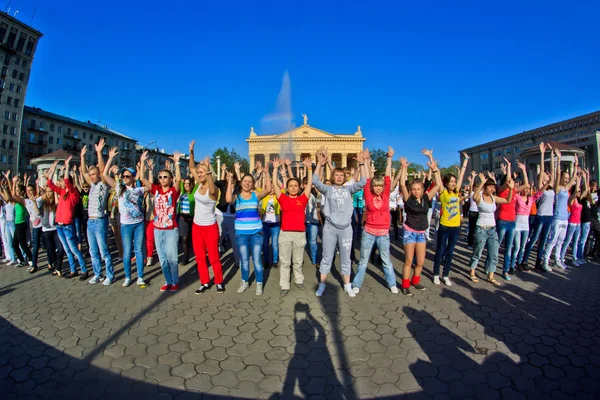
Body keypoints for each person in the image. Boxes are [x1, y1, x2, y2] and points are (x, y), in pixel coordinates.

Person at [312, 148, 367, 298]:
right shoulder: (328, 190)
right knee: (327, 258)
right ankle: (322, 284)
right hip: (330, 228)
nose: (338, 177)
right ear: (332, 176)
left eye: (341, 175)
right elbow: (315, 181)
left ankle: (347, 285)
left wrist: (362, 164)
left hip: (346, 229)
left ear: (344, 177)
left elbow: (363, 181)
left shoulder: (349, 189)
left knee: (345, 259)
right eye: (336, 175)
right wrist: (320, 164)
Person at [352, 147, 398, 294]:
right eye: (375, 186)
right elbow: (365, 179)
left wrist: (389, 159)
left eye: (380, 186)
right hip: (369, 232)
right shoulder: (368, 194)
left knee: (386, 260)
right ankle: (357, 284)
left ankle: (392, 283)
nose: (378, 188)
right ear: (372, 187)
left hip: (383, 233)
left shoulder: (385, 194)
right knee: (363, 260)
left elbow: (387, 177)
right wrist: (362, 163)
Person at [398, 149, 442, 296]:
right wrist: (404, 168)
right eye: (414, 189)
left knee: (421, 262)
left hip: (421, 233)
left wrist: (433, 165)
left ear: (423, 189)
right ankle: (405, 285)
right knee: (409, 261)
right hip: (409, 232)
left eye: (418, 189)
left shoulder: (426, 198)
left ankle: (415, 281)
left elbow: (437, 185)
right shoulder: (408, 199)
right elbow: (403, 185)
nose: (416, 191)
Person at [103, 147, 148, 288]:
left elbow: (151, 186)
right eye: (123, 176)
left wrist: (143, 165)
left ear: (133, 178)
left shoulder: (138, 190)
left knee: (139, 250)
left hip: (139, 223)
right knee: (127, 251)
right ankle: (128, 277)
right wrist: (110, 158)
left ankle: (140, 277)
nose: (124, 178)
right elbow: (104, 175)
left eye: (128, 176)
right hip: (126, 225)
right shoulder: (118, 188)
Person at [225, 163, 272, 296]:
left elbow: (268, 189)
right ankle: (244, 281)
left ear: (253, 184)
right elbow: (228, 199)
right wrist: (229, 180)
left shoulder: (256, 196)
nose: (247, 183)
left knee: (256, 259)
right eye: (245, 181)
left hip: (256, 233)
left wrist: (267, 173)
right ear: (241, 183)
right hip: (241, 234)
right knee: (244, 259)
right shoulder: (237, 197)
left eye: (250, 182)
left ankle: (259, 283)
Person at [140, 150, 182, 292]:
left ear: (170, 179)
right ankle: (167, 280)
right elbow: (141, 177)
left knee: (173, 258)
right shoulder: (156, 189)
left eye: (166, 177)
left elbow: (179, 181)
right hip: (158, 229)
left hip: (171, 229)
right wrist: (142, 162)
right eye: (161, 177)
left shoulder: (173, 192)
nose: (163, 179)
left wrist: (176, 163)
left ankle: (175, 281)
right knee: (163, 258)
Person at [271, 157, 313, 296]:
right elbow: (275, 186)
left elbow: (309, 184)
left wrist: (309, 168)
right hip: (285, 233)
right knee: (284, 261)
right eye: (291, 186)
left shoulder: (303, 198)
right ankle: (284, 284)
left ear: (299, 187)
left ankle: (298, 279)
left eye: (296, 185)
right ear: (287, 188)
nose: (293, 187)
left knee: (298, 260)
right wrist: (275, 169)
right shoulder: (283, 198)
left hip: (300, 233)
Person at [188, 141, 224, 294]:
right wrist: (191, 152)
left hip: (210, 227)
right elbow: (191, 167)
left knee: (214, 257)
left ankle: (219, 281)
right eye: (199, 172)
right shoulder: (198, 185)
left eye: (201, 172)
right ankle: (204, 282)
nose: (199, 173)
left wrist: (208, 171)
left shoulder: (213, 188)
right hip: (197, 227)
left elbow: (213, 191)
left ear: (208, 173)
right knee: (200, 257)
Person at [45, 159, 89, 280]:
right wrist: (53, 170)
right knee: (67, 250)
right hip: (59, 225)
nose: (60, 183)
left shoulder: (74, 193)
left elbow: (66, 180)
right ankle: (73, 270)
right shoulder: (62, 192)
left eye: (62, 181)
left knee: (74, 249)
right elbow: (50, 184)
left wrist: (67, 166)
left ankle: (84, 270)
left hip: (67, 225)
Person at [468, 173, 514, 285]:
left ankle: (490, 275)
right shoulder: (480, 197)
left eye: (493, 187)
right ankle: (472, 272)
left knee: (494, 254)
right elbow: (474, 197)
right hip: (481, 229)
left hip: (492, 230)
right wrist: (482, 182)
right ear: (485, 187)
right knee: (477, 253)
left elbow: (507, 200)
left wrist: (511, 189)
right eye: (490, 186)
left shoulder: (494, 198)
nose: (492, 189)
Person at [432, 152, 470, 286]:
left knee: (450, 251)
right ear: (446, 183)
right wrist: (432, 160)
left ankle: (445, 275)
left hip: (456, 226)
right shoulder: (443, 193)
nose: (454, 184)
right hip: (444, 225)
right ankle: (436, 274)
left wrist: (465, 161)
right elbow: (437, 180)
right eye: (452, 182)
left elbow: (461, 177)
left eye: (455, 182)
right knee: (440, 250)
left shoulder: (456, 192)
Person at [80, 140, 115, 285]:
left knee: (104, 251)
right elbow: (83, 172)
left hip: (100, 221)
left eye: (94, 174)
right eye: (91, 174)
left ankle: (110, 275)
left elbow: (102, 170)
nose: (92, 176)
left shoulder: (102, 185)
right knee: (93, 251)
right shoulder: (92, 185)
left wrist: (99, 153)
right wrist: (82, 157)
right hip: (90, 222)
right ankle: (97, 274)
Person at [522, 142, 556, 272]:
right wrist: (542, 154)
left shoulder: (551, 187)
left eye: (548, 176)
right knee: (535, 238)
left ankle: (538, 262)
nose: (548, 175)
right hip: (541, 216)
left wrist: (552, 155)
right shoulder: (541, 188)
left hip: (550, 216)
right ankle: (525, 260)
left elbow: (552, 171)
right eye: (545, 176)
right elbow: (542, 171)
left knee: (544, 240)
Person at [1, 174, 34, 269]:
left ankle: (31, 260)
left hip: (21, 223)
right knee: (15, 244)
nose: (15, 192)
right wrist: (5, 187)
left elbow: (8, 198)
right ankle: (22, 261)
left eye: (17, 191)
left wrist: (11, 184)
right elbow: (8, 198)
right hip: (17, 223)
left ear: (22, 192)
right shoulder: (17, 199)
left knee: (22, 244)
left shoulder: (21, 199)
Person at [561, 172, 587, 266]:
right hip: (572, 223)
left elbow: (586, 190)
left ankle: (574, 258)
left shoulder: (579, 200)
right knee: (567, 241)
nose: (579, 192)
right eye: (578, 191)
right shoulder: (571, 199)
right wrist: (575, 179)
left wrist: (582, 178)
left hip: (578, 223)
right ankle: (561, 257)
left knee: (576, 242)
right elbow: (576, 191)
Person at [178, 175, 197, 266]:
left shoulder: (193, 193)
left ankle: (197, 256)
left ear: (192, 185)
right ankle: (186, 258)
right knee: (184, 239)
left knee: (193, 239)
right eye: (185, 184)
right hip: (182, 218)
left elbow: (198, 184)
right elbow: (179, 181)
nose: (186, 185)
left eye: (188, 184)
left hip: (192, 218)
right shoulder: (182, 193)